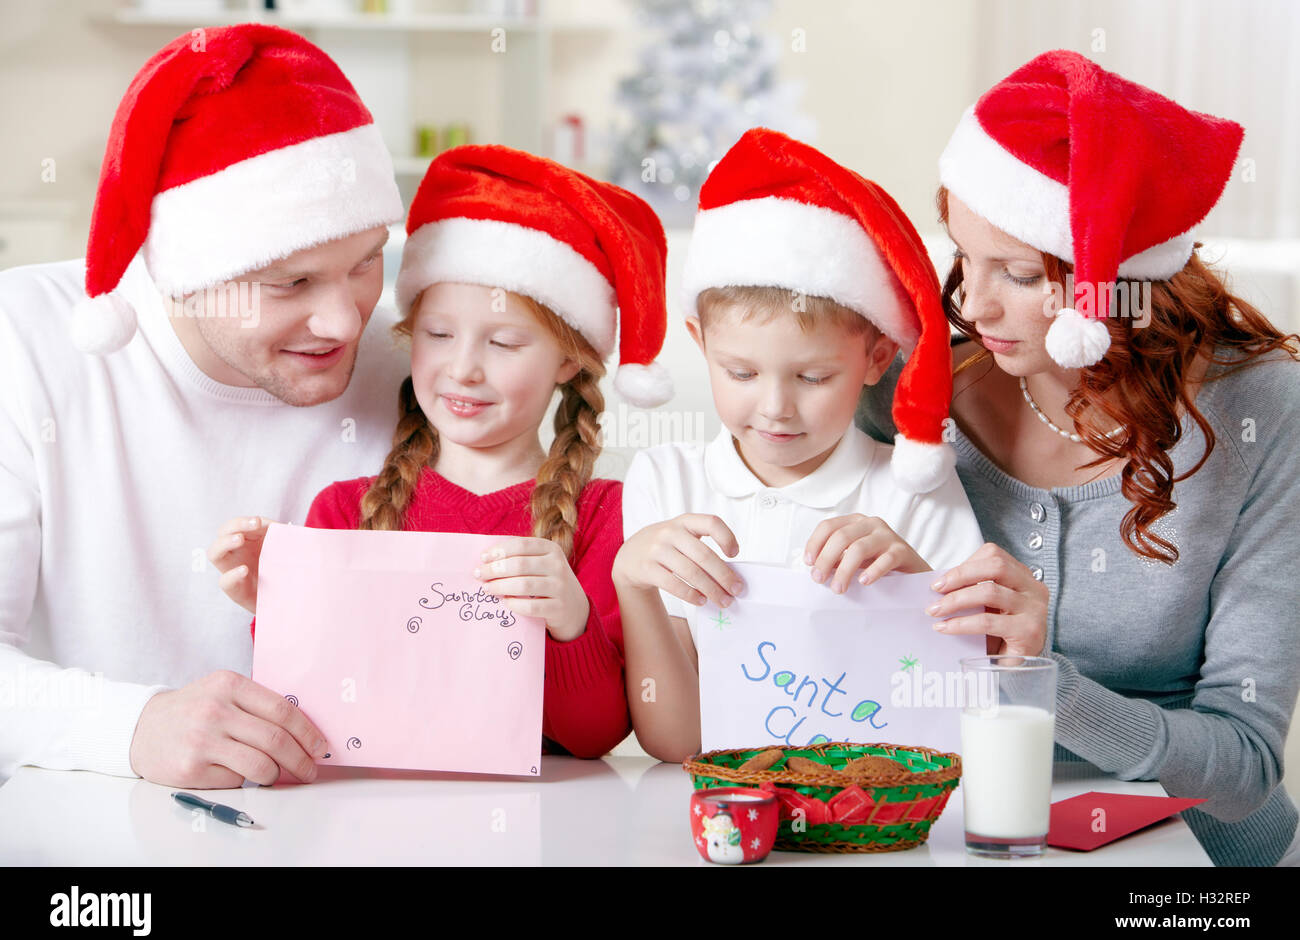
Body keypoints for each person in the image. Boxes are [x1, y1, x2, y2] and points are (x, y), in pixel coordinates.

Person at [855, 50, 1300, 867]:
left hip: (1189, 860)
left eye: (1021, 274)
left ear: (1117, 281)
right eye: (964, 255)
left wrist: (1040, 680)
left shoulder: (1263, 409)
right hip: (952, 833)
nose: (973, 305)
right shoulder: (914, 393)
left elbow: (1245, 768)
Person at [0, 24, 410, 789]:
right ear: (183, 276)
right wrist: (130, 725)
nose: (347, 323)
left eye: (365, 263)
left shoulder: (414, 357)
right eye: (291, 284)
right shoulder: (23, 342)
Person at [210, 144, 672, 759]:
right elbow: (316, 711)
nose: (463, 369)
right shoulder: (344, 511)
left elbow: (590, 739)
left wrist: (570, 622)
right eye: (438, 334)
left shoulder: (605, 515)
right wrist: (281, 605)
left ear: (568, 359)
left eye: (503, 342)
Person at [615, 128, 985, 762]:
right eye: (740, 373)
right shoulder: (666, 482)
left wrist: (913, 585)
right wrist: (634, 585)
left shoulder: (912, 490)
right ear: (700, 344)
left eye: (813, 378)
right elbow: (678, 743)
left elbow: (960, 714)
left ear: (876, 358)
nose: (775, 407)